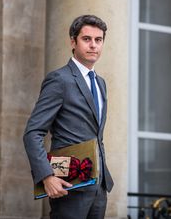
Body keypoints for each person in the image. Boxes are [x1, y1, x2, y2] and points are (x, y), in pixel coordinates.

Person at [23, 15, 114, 219]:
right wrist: (46, 176)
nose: (93, 45)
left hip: (99, 186)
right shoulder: (59, 79)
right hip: (69, 184)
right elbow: (32, 132)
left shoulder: (101, 83)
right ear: (73, 42)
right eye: (86, 39)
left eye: (98, 40)